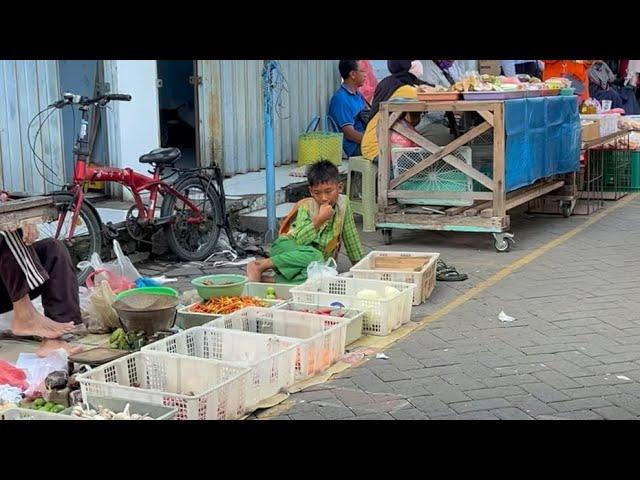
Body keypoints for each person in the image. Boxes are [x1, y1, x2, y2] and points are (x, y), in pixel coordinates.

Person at [246, 160, 364, 284]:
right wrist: (319, 220)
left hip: (308, 263)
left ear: (339, 187)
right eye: (317, 193)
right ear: (311, 191)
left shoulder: (343, 204)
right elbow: (297, 240)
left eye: (328, 192)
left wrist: (362, 271)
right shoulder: (307, 206)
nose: (324, 198)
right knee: (316, 256)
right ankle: (260, 265)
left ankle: (269, 280)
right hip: (286, 250)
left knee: (322, 276)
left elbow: (352, 241)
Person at [0, 197, 82, 357]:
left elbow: (7, 206)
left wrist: (23, 221)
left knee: (54, 249)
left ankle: (55, 337)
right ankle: (25, 316)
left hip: (8, 282)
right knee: (5, 233)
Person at [361, 60, 424, 161]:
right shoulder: (406, 89)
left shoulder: (386, 82)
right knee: (424, 156)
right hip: (379, 149)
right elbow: (430, 95)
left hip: (371, 144)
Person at [328, 60, 368, 157]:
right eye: (362, 71)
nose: (365, 75)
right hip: (354, 149)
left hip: (364, 142)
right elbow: (349, 133)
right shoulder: (341, 99)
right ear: (353, 74)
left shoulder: (359, 96)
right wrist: (371, 142)